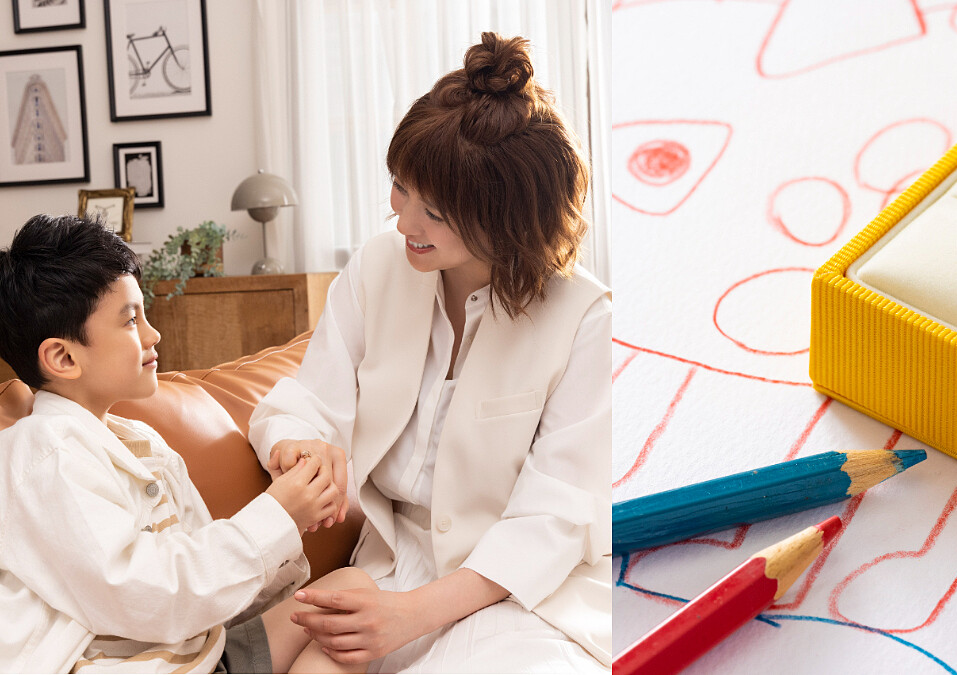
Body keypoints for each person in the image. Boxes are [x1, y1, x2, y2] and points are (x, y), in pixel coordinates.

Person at [247, 32, 611, 672]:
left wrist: (410, 618)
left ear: (508, 217)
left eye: (433, 210)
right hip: (385, 569)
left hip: (521, 597)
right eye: (399, 188)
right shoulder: (377, 268)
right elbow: (305, 404)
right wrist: (299, 445)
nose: (404, 221)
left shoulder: (583, 317)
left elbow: (553, 520)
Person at [0, 214, 377, 674]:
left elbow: (206, 580)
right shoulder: (44, 453)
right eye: (130, 320)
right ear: (63, 356)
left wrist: (295, 517)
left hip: (202, 654)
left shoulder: (143, 443)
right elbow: (144, 596)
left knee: (353, 591)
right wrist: (277, 515)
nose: (153, 334)